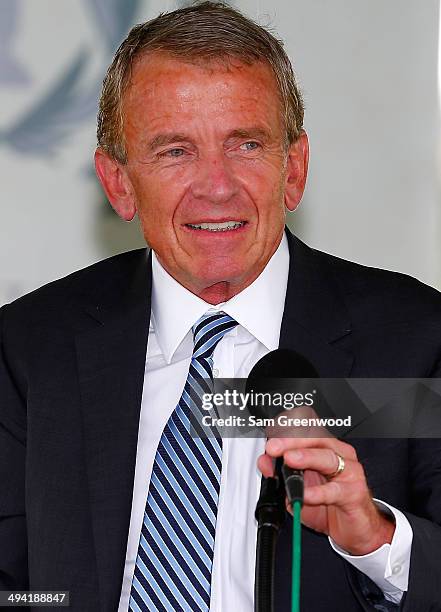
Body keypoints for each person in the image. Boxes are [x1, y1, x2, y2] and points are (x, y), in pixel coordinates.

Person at [1, 2, 441, 611]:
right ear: (119, 183)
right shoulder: (29, 348)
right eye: (175, 151)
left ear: (294, 169)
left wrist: (376, 541)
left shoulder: (415, 342)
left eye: (246, 144)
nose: (216, 186)